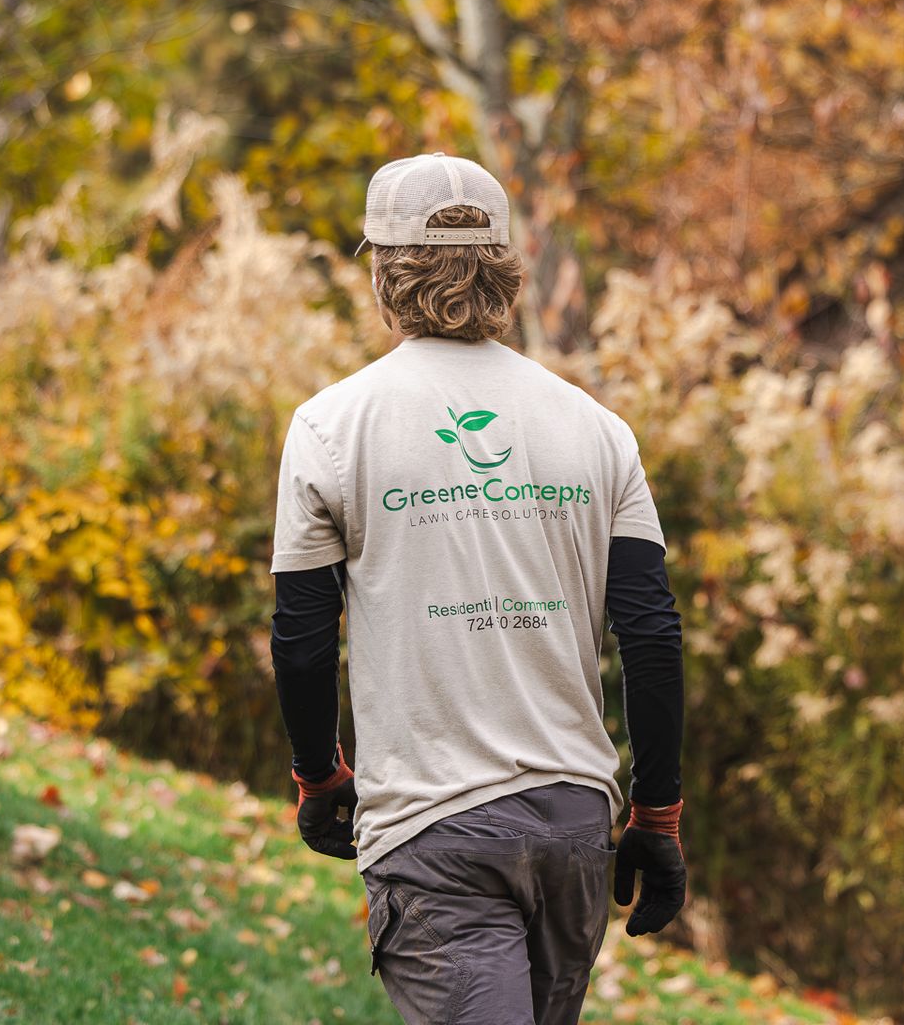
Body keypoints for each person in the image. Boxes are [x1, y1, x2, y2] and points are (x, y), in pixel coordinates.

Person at [268, 151, 687, 1024]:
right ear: (507, 270)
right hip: (575, 823)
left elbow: (303, 638)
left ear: (383, 271)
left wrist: (318, 775)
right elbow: (651, 637)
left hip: (435, 829)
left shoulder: (331, 427)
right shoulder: (599, 430)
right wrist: (658, 813)